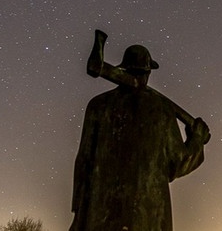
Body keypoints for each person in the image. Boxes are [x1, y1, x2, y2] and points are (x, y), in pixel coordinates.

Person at [70, 44, 210, 231]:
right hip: (149, 215)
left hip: (99, 214)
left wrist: (79, 210)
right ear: (148, 72)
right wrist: (197, 140)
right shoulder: (160, 109)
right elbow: (177, 162)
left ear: (124, 69)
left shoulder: (97, 106)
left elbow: (83, 163)